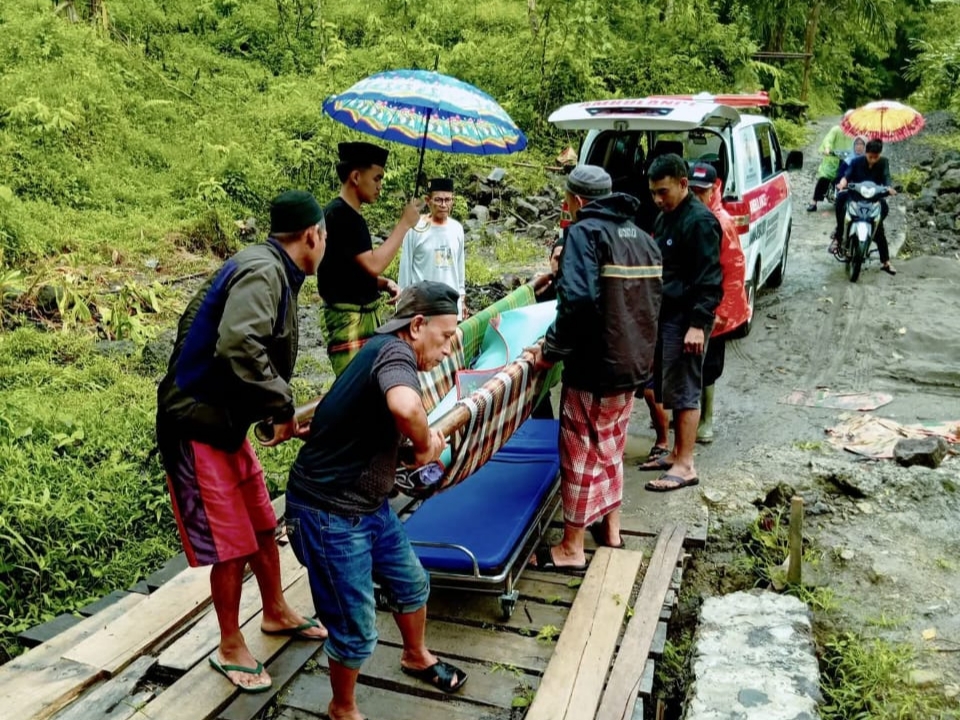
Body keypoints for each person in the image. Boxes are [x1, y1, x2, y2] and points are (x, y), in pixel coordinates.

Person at [156, 190, 329, 694]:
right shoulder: (265, 271)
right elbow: (238, 344)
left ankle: (274, 611)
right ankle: (230, 644)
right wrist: (280, 402)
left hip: (224, 421)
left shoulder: (275, 268)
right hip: (195, 425)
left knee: (259, 522)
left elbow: (243, 357)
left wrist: (271, 414)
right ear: (312, 235)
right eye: (326, 236)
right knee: (230, 543)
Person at [285, 281, 467, 720]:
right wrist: (426, 444)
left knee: (412, 584)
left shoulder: (381, 351)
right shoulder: (394, 352)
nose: (447, 351)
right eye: (445, 338)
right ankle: (342, 708)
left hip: (370, 505)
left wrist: (411, 446)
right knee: (355, 628)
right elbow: (406, 409)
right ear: (417, 325)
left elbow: (376, 419)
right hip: (329, 513)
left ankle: (415, 655)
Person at [525, 165, 662, 569]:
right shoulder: (641, 236)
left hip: (595, 368)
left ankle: (571, 547)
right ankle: (611, 530)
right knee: (611, 446)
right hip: (632, 366)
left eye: (568, 200)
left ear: (578, 201)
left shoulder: (583, 232)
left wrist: (550, 350)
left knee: (580, 451)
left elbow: (580, 302)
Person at [639, 154, 722, 492]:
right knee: (669, 386)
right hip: (667, 315)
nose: (658, 199)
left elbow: (711, 279)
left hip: (689, 318)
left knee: (686, 389)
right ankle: (674, 452)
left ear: (683, 184)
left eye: (663, 191)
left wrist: (698, 325)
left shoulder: (700, 222)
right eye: (653, 193)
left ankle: (686, 464)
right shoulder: (665, 218)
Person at [317, 141, 422, 376]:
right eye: (377, 178)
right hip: (350, 320)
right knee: (356, 386)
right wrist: (404, 224)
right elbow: (374, 263)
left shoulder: (344, 214)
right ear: (355, 177)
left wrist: (383, 284)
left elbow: (346, 271)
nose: (380, 186)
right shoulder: (343, 216)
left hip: (358, 314)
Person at [686, 163, 750, 444]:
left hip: (714, 307)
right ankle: (688, 417)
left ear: (714, 188)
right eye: (694, 190)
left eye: (703, 191)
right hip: (691, 303)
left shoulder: (721, 222)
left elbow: (734, 269)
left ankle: (706, 419)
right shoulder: (686, 215)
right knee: (688, 364)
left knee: (708, 367)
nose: (698, 195)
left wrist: (723, 312)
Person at [398, 177, 466, 319]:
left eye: (448, 200)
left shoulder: (457, 229)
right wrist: (402, 306)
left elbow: (459, 270)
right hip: (423, 308)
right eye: (438, 200)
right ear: (428, 201)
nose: (443, 205)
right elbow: (405, 271)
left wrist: (462, 300)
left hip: (450, 307)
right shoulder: (415, 228)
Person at [832, 138, 898, 275]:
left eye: (876, 157)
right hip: (855, 195)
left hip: (874, 198)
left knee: (879, 224)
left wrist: (889, 189)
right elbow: (847, 175)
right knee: (840, 200)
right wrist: (842, 184)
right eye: (870, 156)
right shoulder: (856, 162)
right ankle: (838, 237)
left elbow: (887, 178)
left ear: (880, 154)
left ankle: (886, 262)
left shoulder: (883, 162)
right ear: (866, 153)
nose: (873, 160)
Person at [807, 121, 853, 212]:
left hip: (849, 160)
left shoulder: (856, 133)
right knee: (824, 178)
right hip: (833, 159)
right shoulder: (836, 130)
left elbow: (861, 143)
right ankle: (814, 201)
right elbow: (828, 139)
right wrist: (827, 148)